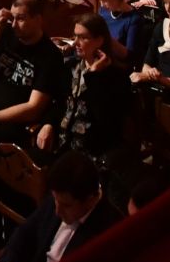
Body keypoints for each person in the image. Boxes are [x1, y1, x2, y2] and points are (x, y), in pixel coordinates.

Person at [0, 0, 63, 138]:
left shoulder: (50, 56)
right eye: (13, 17)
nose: (13, 24)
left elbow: (33, 108)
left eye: (21, 18)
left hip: (13, 121)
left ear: (38, 20)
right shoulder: (7, 34)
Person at [36, 13, 128, 163]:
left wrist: (93, 76)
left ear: (99, 41)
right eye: (75, 36)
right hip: (61, 142)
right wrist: (48, 124)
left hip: (91, 151)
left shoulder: (117, 77)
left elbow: (105, 121)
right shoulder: (71, 66)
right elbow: (59, 102)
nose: (75, 43)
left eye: (83, 38)